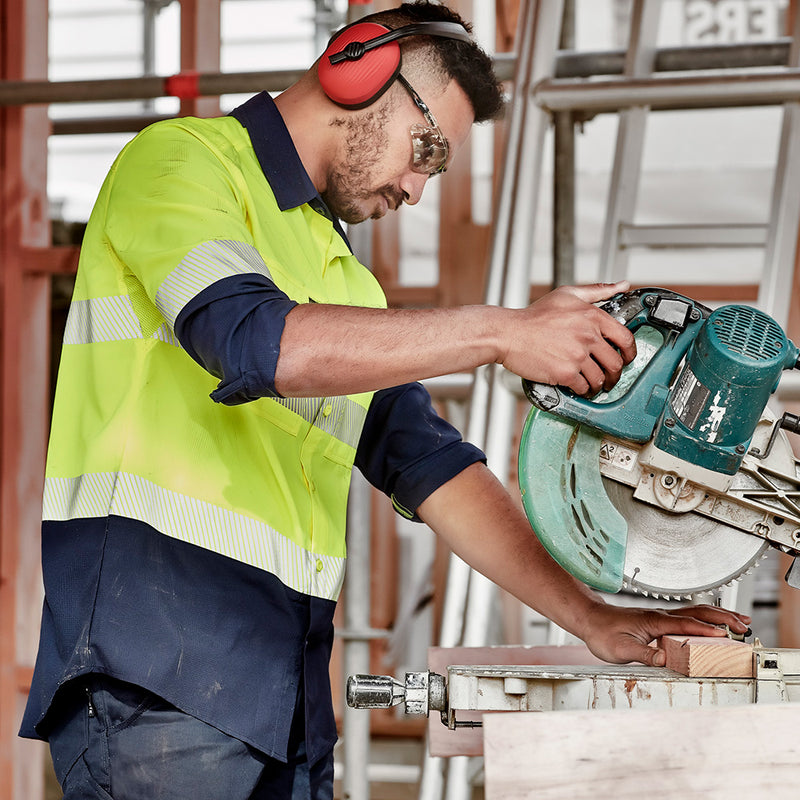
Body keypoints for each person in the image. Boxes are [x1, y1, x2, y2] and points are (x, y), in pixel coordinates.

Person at [20, 2, 750, 798]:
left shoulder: (345, 282)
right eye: (425, 149)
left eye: (434, 172)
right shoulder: (184, 165)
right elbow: (257, 341)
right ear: (359, 67)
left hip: (283, 698)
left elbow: (432, 466)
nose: (414, 188)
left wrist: (594, 618)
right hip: (157, 681)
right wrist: (501, 331)